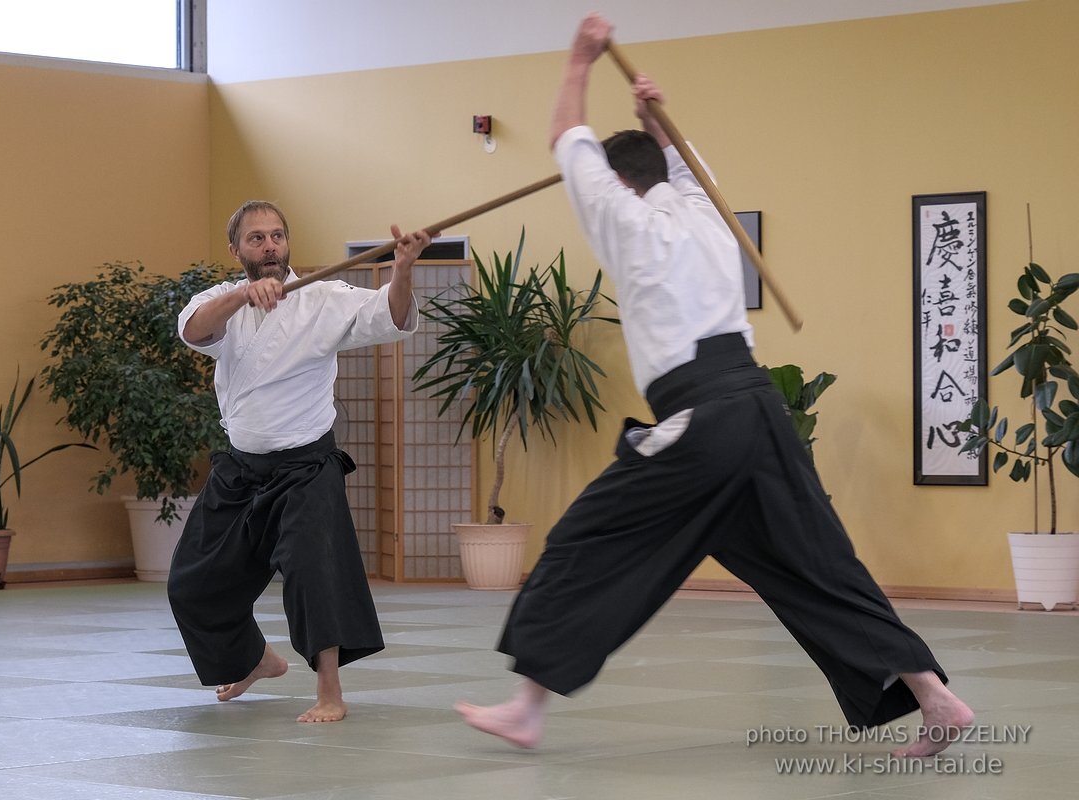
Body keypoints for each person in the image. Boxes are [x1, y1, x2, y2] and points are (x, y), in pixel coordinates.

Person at [455, 13, 973, 757]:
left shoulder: (626, 220)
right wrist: (652, 115)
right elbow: (684, 162)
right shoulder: (705, 213)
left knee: (584, 540)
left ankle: (528, 706)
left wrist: (580, 57)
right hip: (760, 412)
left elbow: (565, 135)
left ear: (620, 181)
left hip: (705, 422)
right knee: (817, 566)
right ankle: (936, 698)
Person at [168, 200, 432, 722]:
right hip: (241, 468)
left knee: (314, 576)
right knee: (191, 580)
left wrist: (402, 272)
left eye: (277, 236)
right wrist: (245, 295)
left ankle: (331, 693)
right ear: (236, 250)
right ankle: (256, 659)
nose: (269, 247)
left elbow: (393, 316)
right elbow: (193, 331)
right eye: (257, 239)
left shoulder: (325, 297)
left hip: (305, 467)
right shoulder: (222, 299)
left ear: (288, 243)